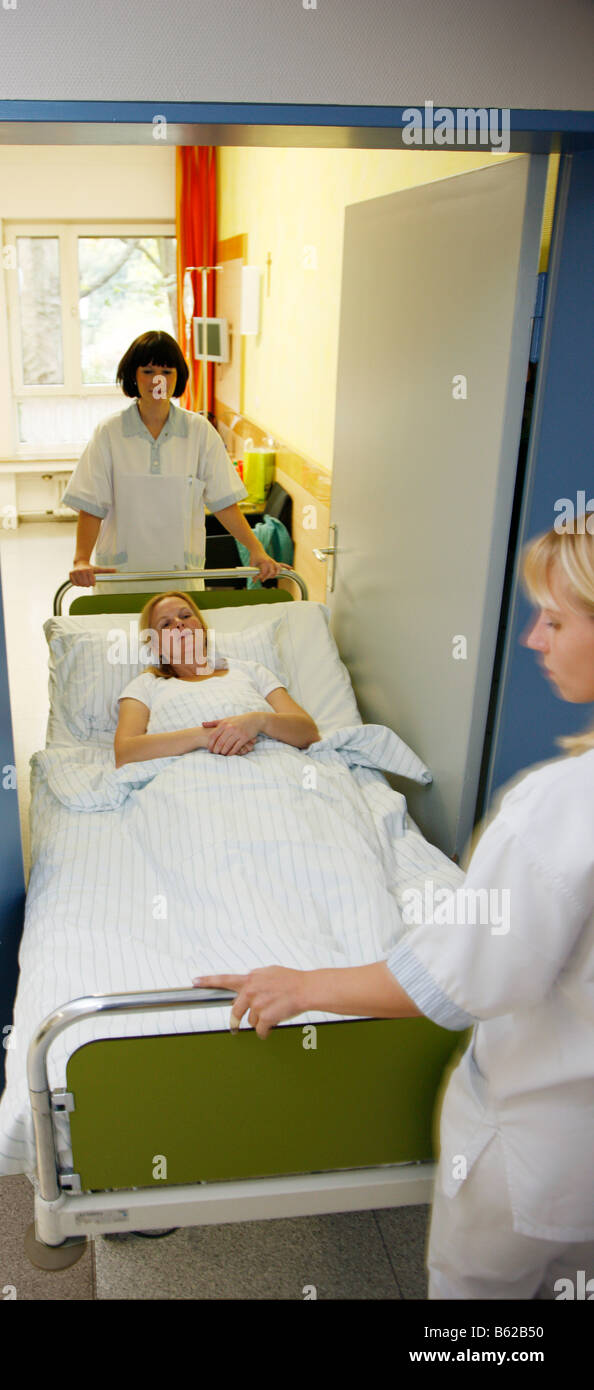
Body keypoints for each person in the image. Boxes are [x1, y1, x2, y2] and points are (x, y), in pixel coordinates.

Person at [195, 523, 594, 1300]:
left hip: (545, 1149)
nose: (532, 639)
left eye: (556, 618)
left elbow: (451, 980)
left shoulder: (560, 810)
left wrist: (301, 985)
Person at [63, 330, 286, 595]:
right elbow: (91, 504)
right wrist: (81, 559)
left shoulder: (199, 431)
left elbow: (224, 502)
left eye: (167, 371)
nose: (158, 379)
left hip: (180, 575)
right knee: (126, 636)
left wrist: (256, 550)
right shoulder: (110, 432)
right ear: (132, 375)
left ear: (178, 376)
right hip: (122, 575)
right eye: (148, 371)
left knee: (176, 637)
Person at [114, 591, 319, 768]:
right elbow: (125, 753)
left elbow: (308, 732)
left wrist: (258, 721)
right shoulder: (145, 685)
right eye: (166, 624)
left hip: (271, 766)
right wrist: (205, 737)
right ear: (155, 647)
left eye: (185, 615)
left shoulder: (250, 670)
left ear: (202, 629)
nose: (179, 623)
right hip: (187, 777)